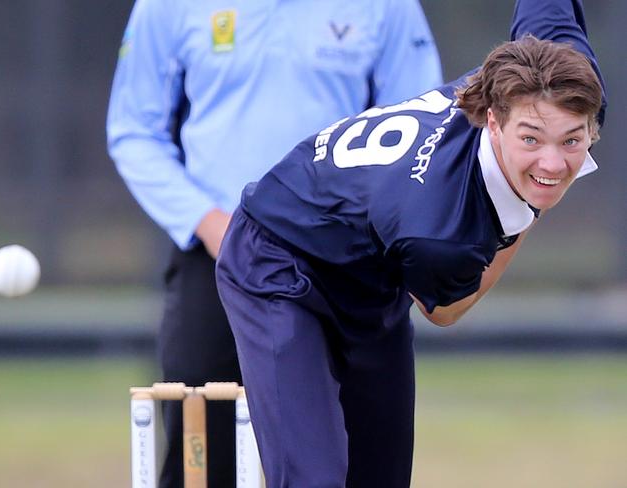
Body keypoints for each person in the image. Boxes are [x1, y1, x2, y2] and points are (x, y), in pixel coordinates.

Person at [215, 0, 607, 486]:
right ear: (493, 119)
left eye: (571, 141)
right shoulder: (437, 233)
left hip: (371, 269)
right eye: (531, 140)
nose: (552, 162)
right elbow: (445, 310)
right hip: (276, 256)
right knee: (312, 477)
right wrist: (529, 211)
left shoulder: (570, 82)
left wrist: (530, 185)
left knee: (381, 476)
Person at [106, 1, 442, 486]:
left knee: (355, 463)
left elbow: (424, 127)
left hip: (346, 263)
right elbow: (133, 131)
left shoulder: (387, 6)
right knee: (203, 460)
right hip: (217, 256)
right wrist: (211, 224)